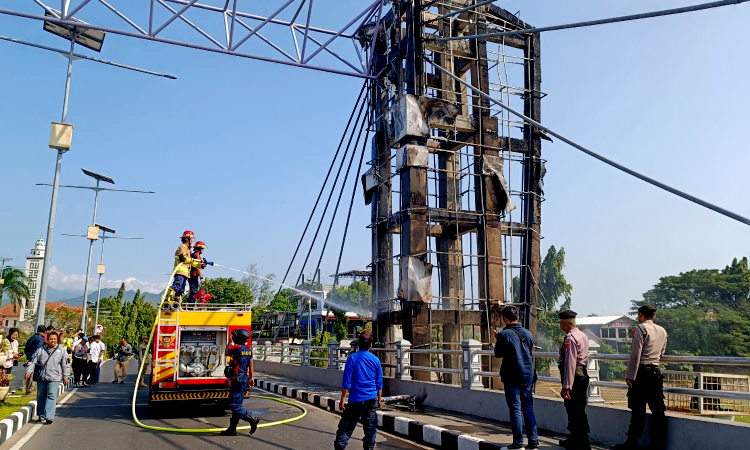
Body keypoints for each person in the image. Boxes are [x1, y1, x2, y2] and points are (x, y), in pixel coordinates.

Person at [614, 304, 669, 450]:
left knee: (638, 410)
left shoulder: (640, 329)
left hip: (642, 373)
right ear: (654, 316)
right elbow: (662, 352)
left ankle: (632, 442)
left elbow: (635, 354)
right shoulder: (663, 331)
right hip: (655, 372)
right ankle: (657, 443)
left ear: (640, 314)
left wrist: (630, 375)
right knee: (657, 410)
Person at [493, 306, 539, 450]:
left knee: (515, 409)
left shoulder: (504, 334)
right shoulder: (528, 333)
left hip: (512, 376)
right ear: (517, 317)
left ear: (505, 319)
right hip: (527, 375)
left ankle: (518, 442)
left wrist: (497, 338)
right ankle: (533, 441)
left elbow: (498, 353)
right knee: (528, 408)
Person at [334, 330, 383, 450]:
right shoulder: (375, 360)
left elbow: (347, 382)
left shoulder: (352, 358)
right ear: (371, 345)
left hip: (356, 400)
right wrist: (379, 400)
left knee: (345, 428)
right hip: (372, 399)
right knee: (370, 428)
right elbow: (379, 383)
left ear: (358, 344)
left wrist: (342, 400)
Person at [557, 310, 591, 450]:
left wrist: (566, 386)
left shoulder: (571, 338)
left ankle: (583, 442)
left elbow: (570, 363)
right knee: (576, 409)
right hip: (582, 375)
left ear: (563, 323)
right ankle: (574, 438)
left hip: (574, 378)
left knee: (575, 410)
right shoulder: (582, 335)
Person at [25, 332, 70, 424]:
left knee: (51, 395)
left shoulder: (61, 351)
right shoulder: (40, 350)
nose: (53, 341)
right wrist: (28, 371)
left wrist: (66, 376)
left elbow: (65, 365)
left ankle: (49, 416)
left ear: (57, 340)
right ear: (47, 340)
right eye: (51, 339)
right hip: (42, 377)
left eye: (54, 339)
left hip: (54, 377)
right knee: (41, 396)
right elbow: (33, 362)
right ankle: (41, 415)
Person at [221, 328, 260, 436]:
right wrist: (252, 378)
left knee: (233, 404)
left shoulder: (237, 349)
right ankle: (232, 429)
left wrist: (229, 342)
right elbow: (251, 365)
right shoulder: (249, 350)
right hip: (244, 379)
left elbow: (226, 352)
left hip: (237, 379)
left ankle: (251, 419)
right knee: (237, 404)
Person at [167, 230, 201, 307]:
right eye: (191, 239)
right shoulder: (183, 247)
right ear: (188, 239)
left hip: (185, 273)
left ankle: (177, 302)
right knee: (177, 285)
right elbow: (183, 258)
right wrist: (193, 260)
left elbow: (190, 262)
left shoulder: (187, 249)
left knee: (181, 289)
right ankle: (168, 297)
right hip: (180, 272)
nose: (192, 241)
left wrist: (200, 265)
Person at [187, 241, 212, 308]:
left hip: (193, 275)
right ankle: (190, 307)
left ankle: (190, 306)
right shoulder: (196, 256)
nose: (203, 250)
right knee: (194, 292)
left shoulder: (195, 256)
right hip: (193, 276)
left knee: (193, 291)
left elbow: (197, 266)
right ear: (199, 248)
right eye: (202, 249)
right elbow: (197, 268)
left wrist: (202, 266)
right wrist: (201, 278)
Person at [24, 325, 47, 394]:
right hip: (36, 359)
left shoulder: (31, 338)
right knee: (34, 374)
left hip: (30, 358)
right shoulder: (41, 339)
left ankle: (27, 389)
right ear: (45, 331)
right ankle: (30, 389)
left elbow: (26, 348)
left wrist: (29, 357)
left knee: (29, 373)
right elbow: (38, 350)